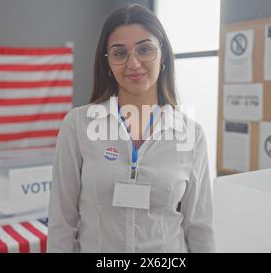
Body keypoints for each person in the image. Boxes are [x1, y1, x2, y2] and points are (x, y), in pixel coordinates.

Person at [47, 4, 215, 253]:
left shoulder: (190, 134)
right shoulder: (78, 125)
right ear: (108, 63)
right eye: (119, 53)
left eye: (145, 49)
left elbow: (200, 227)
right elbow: (62, 225)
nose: (133, 63)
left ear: (163, 55)